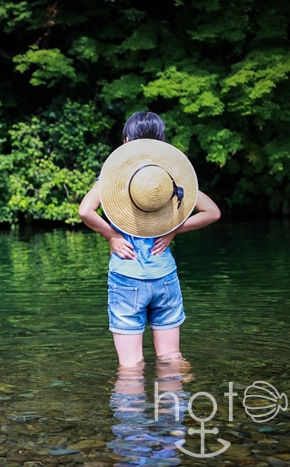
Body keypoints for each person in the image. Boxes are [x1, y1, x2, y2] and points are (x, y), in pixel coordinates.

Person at [79, 111, 220, 367]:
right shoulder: (168, 180)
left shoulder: (115, 178)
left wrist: (112, 235)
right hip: (164, 274)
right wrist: (173, 230)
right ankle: (181, 386)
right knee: (171, 358)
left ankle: (131, 393)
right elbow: (212, 212)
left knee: (131, 366)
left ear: (126, 141)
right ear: (161, 142)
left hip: (126, 274)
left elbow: (85, 211)